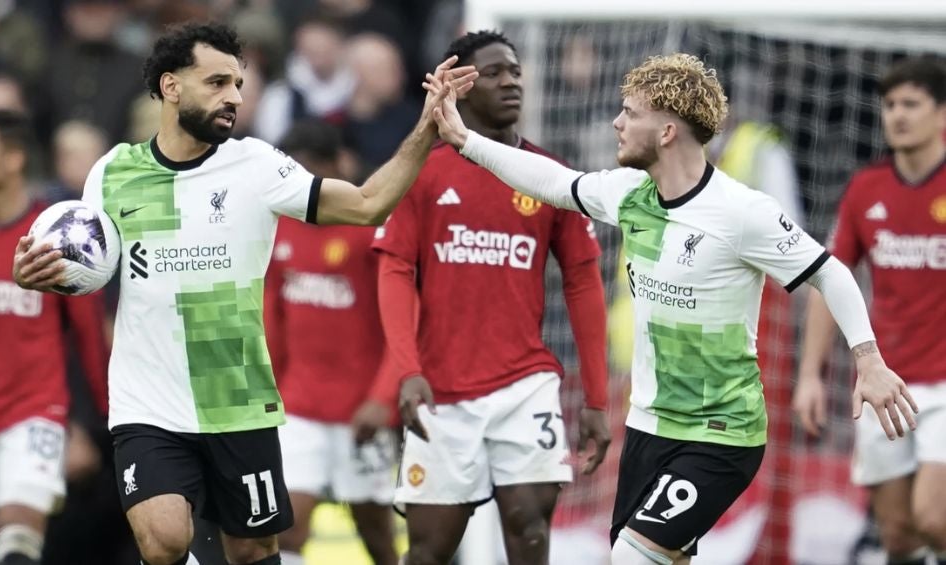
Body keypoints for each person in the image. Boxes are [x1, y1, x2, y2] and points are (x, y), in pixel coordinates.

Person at [10, 21, 475, 565]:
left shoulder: (256, 166)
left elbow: (369, 203)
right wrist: (34, 274)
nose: (234, 96)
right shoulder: (112, 173)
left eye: (238, 83)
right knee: (163, 543)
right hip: (147, 402)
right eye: (217, 82)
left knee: (253, 550)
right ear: (170, 86)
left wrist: (425, 130)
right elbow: (82, 266)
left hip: (236, 401)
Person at [429, 52, 919, 565]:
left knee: (632, 556)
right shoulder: (629, 195)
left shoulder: (741, 212)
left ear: (666, 131)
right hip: (647, 426)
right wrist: (465, 139)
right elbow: (552, 181)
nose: (617, 123)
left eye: (630, 113)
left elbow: (831, 272)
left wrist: (869, 361)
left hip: (720, 433)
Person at [375, 30, 612, 565]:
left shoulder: (549, 175)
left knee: (530, 531)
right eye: (495, 72)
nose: (511, 82)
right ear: (459, 87)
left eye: (515, 72)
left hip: (524, 387)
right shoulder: (421, 171)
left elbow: (582, 280)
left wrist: (596, 399)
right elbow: (393, 269)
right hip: (441, 392)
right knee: (428, 551)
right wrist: (406, 369)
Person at [793, 56, 946, 565]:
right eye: (890, 105)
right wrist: (811, 375)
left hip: (945, 383)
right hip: (886, 383)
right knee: (900, 536)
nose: (897, 115)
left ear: (942, 115)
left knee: (933, 516)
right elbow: (826, 282)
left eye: (911, 104)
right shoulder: (866, 189)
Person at [0, 109, 109, 565]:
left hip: (37, 413)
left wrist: (95, 424)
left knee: (18, 536)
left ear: (14, 158)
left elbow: (89, 339)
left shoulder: (54, 237)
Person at [264, 119, 398, 565]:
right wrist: (272, 396)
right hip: (299, 408)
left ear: (335, 165)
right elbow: (270, 324)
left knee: (377, 536)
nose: (298, 184)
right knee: (287, 528)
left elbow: (403, 323)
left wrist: (382, 399)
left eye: (307, 171)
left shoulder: (371, 231)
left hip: (363, 414)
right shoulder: (278, 229)